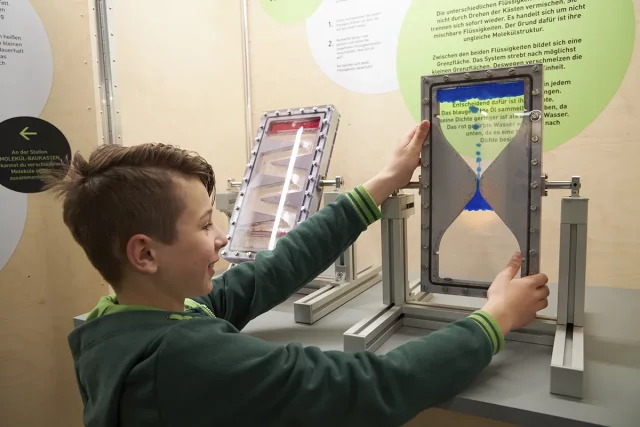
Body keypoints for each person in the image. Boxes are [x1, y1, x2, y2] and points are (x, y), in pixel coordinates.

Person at [46, 120, 549, 427]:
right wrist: (495, 318)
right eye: (204, 225)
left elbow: (271, 272)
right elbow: (366, 387)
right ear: (145, 255)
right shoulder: (183, 358)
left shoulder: (122, 318)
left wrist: (380, 184)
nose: (222, 236)